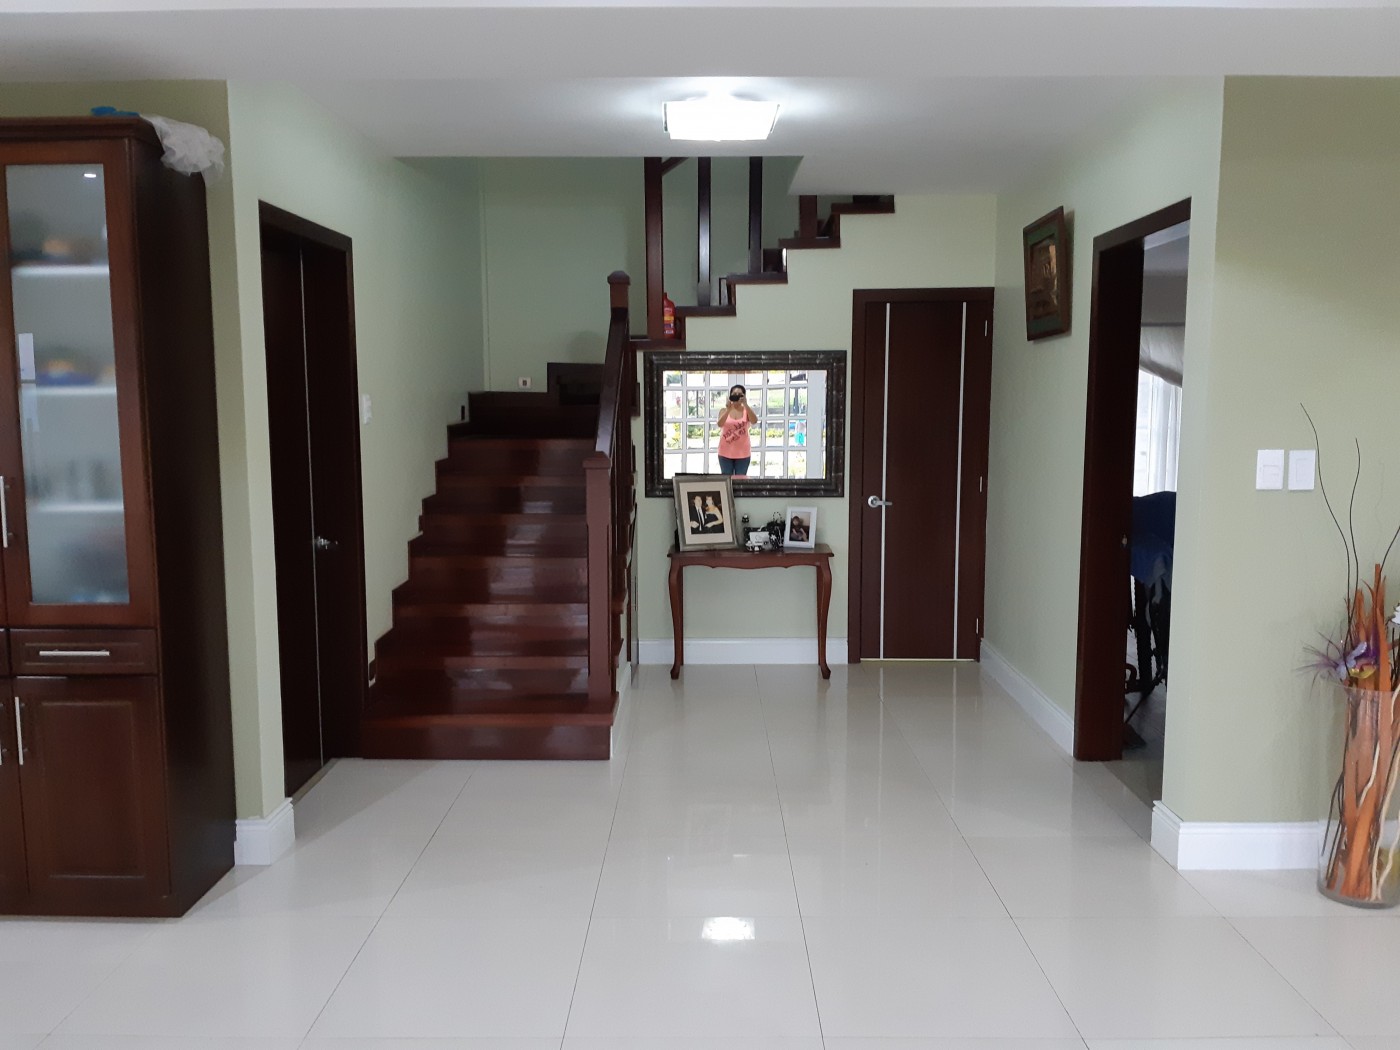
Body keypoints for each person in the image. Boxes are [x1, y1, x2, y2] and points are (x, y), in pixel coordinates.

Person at [716, 384, 757, 476]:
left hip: (743, 452)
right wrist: (728, 409)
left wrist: (745, 404)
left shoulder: (747, 410)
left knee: (741, 479)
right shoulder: (723, 410)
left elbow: (754, 421)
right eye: (734, 394)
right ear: (730, 395)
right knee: (726, 478)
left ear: (744, 396)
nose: (737, 396)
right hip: (725, 451)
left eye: (739, 394)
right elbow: (720, 424)